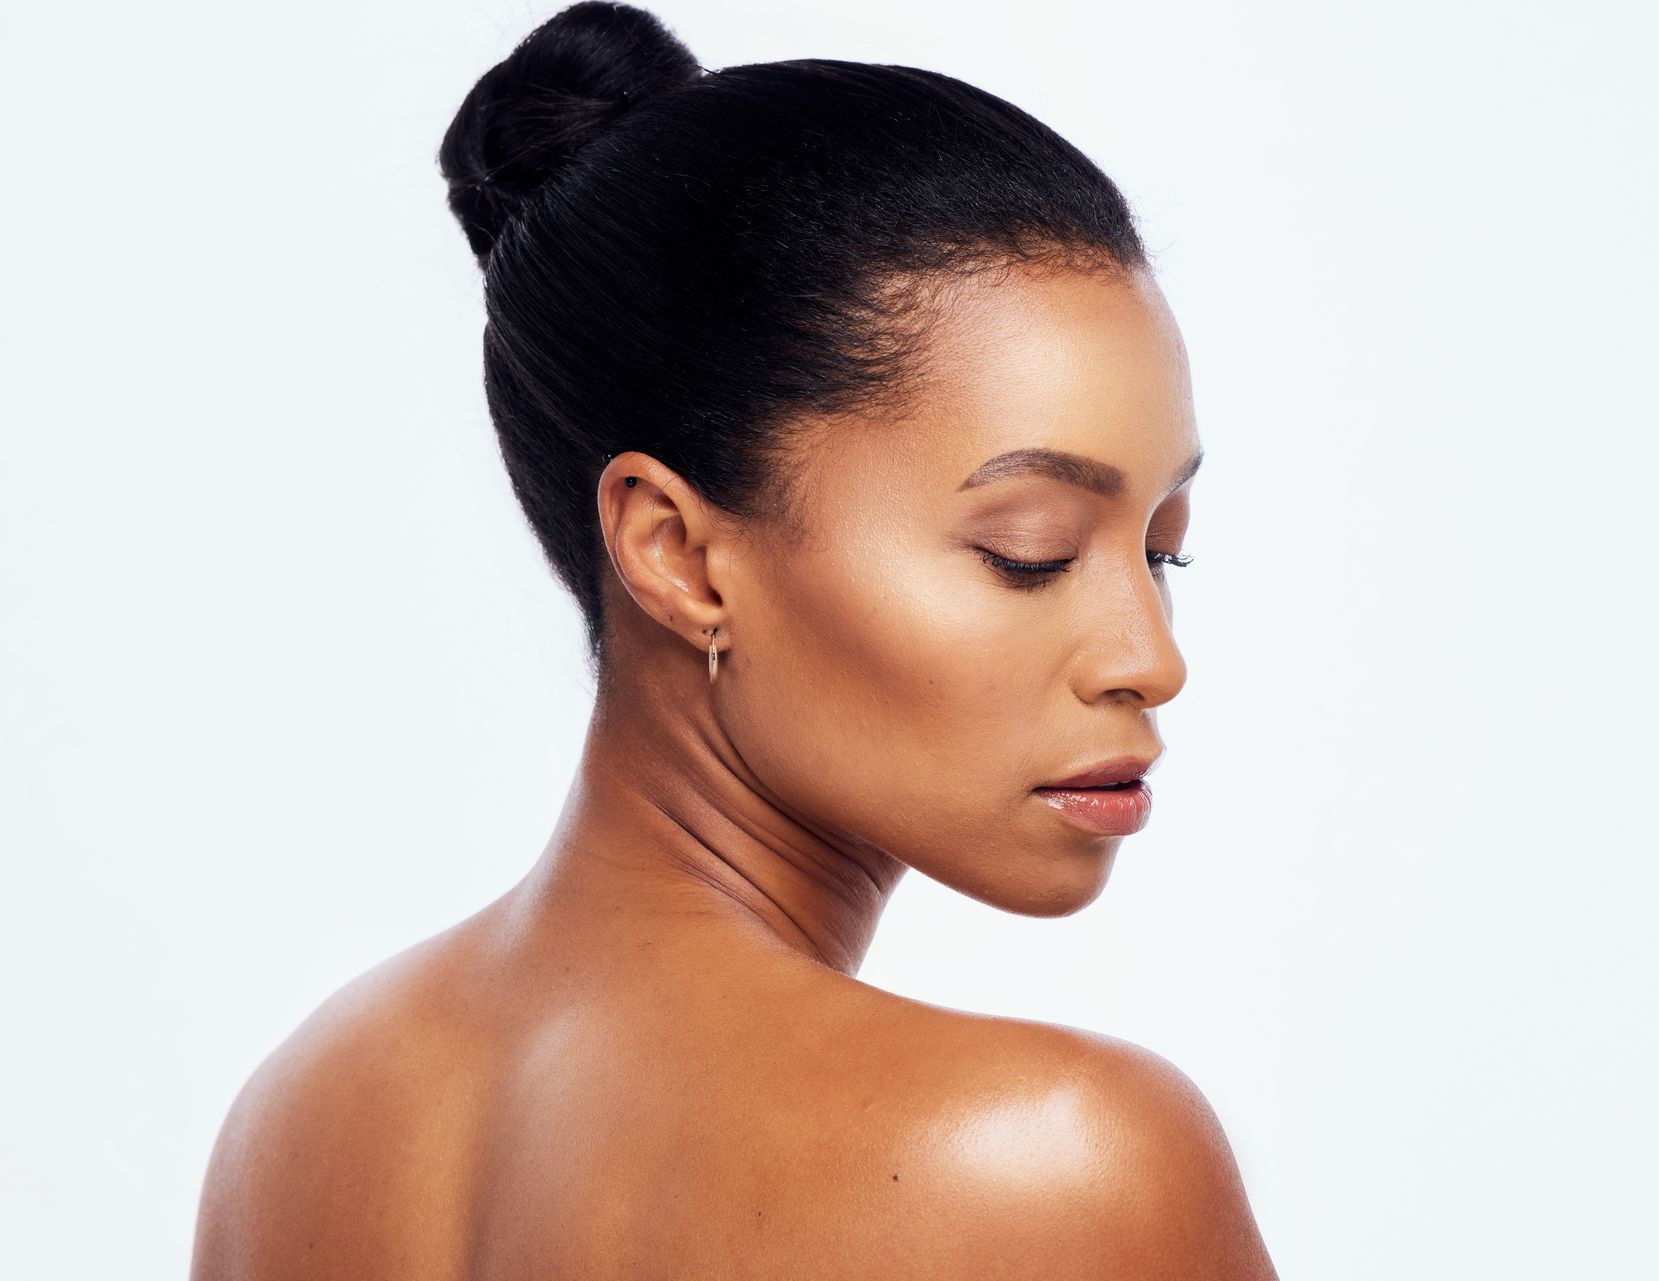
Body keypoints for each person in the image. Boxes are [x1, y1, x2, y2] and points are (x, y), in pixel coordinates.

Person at [188, 3, 1277, 1275]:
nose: (1150, 658)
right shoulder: (1057, 1161)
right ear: (676, 553)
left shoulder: (301, 1117)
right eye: (1027, 551)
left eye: (1162, 549)